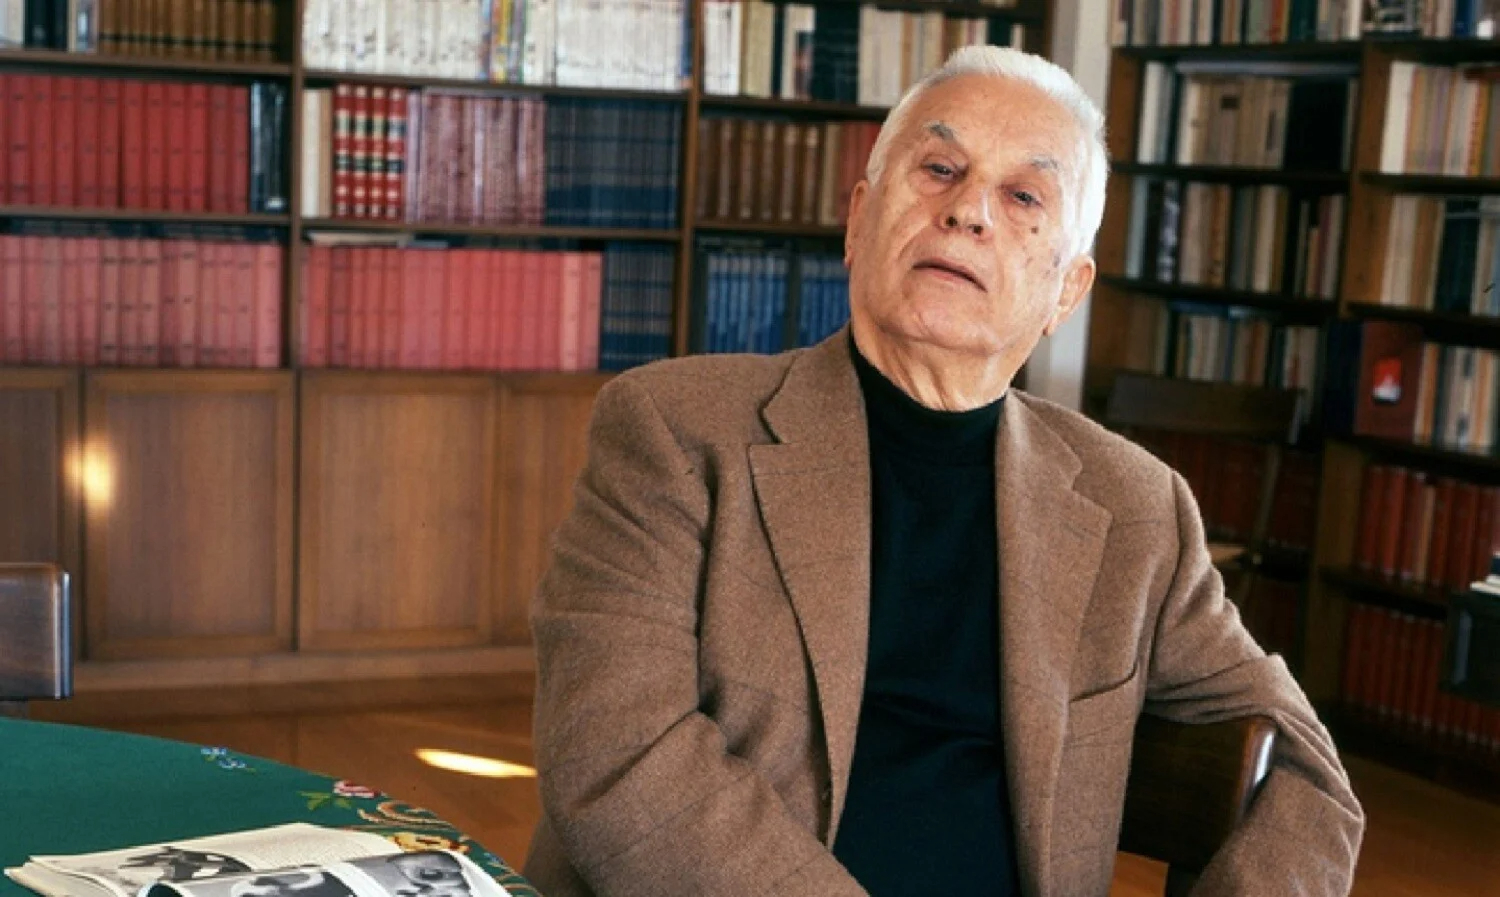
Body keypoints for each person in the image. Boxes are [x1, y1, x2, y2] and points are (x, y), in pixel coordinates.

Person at [523, 45, 1364, 897]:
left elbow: (1306, 768)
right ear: (859, 221)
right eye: (939, 168)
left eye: (1023, 195)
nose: (967, 210)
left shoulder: (1135, 506)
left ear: (1067, 293)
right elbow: (617, 750)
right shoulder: (674, 430)